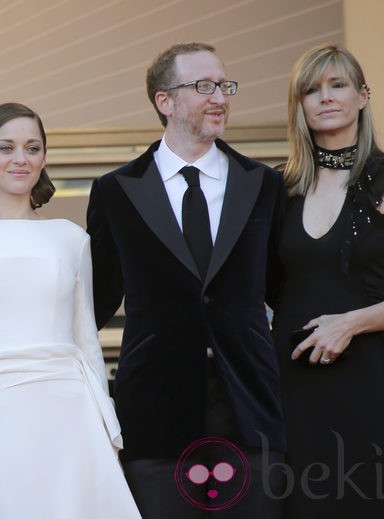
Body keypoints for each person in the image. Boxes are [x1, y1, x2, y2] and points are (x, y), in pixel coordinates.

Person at [87, 43, 286, 517]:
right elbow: (90, 306)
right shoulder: (116, 192)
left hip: (250, 410)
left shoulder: (263, 184)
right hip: (154, 418)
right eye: (204, 86)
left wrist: (364, 326)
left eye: (224, 85)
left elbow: (289, 290)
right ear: (165, 101)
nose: (220, 96)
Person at [0, 102, 141, 518]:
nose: (20, 159)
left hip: (71, 414)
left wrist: (106, 429)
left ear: (44, 157)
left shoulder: (70, 237)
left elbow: (87, 344)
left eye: (32, 147)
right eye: (6, 147)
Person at [270, 44, 384, 517]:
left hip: (371, 384)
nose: (325, 97)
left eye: (338, 85)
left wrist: (353, 324)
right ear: (298, 104)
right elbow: (262, 293)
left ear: (362, 95)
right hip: (293, 390)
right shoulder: (278, 188)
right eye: (311, 89)